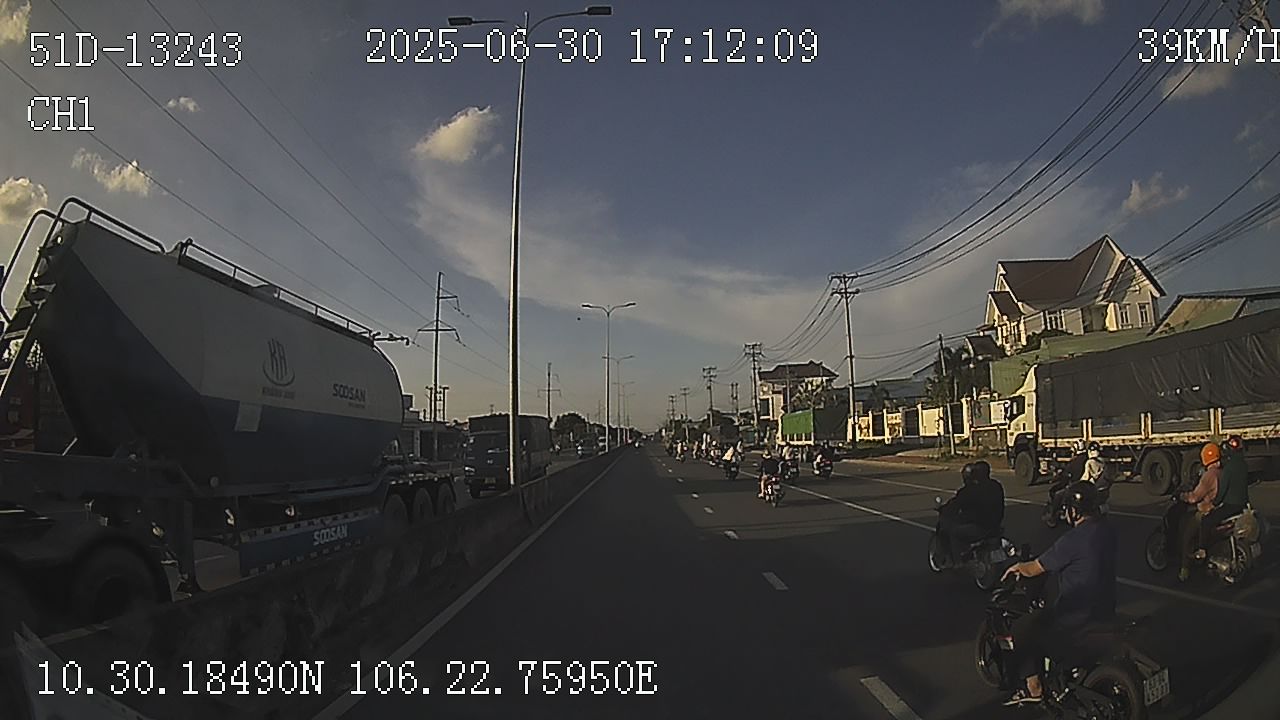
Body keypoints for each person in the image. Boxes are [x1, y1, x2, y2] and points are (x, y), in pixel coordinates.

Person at [1002, 482, 1118, 706]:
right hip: (1106, 609)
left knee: (1022, 628)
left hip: (1076, 617)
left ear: (1074, 510)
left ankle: (1034, 688)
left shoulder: (1073, 540)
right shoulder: (1107, 530)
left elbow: (1035, 568)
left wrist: (1017, 567)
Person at [937, 461, 1005, 564]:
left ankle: (958, 563)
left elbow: (955, 505)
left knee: (954, 533)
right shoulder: (996, 485)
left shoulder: (971, 490)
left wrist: (944, 509)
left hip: (979, 527)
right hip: (996, 525)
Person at [1179, 442, 1223, 582]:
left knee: (1187, 535)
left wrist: (1183, 496)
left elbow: (1195, 497)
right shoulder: (1223, 472)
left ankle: (1185, 569)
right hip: (1221, 510)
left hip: (1207, 511)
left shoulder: (1208, 476)